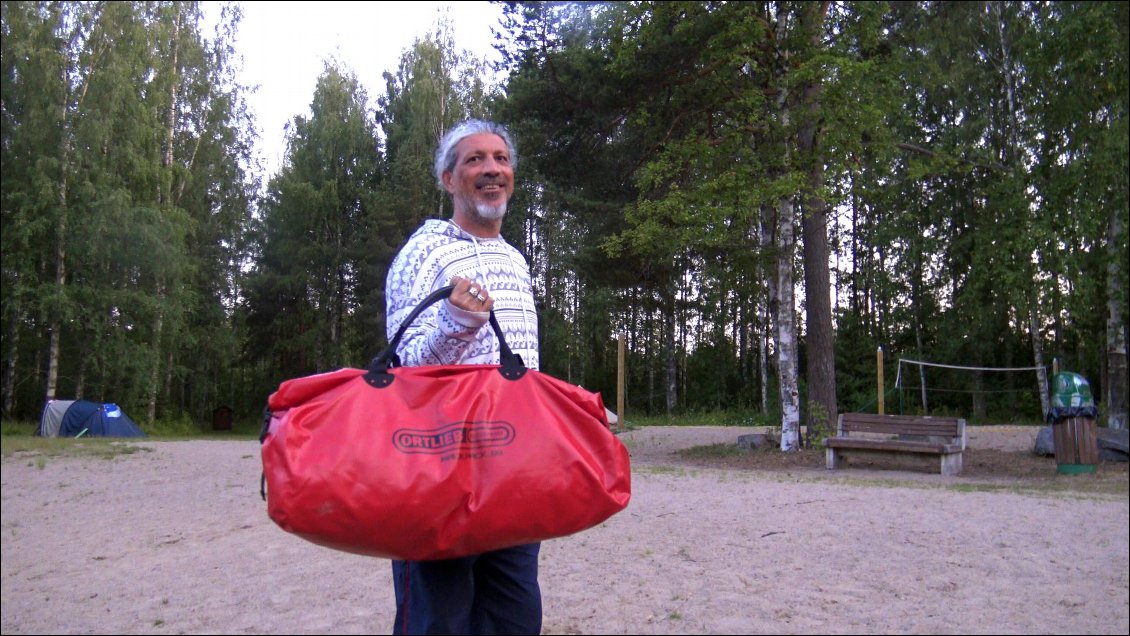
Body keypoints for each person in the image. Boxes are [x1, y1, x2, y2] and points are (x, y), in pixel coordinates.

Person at [384, 119, 541, 635]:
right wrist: (455, 325)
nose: (492, 169)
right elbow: (400, 369)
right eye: (474, 159)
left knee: (515, 621)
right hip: (440, 471)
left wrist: (572, 414)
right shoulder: (422, 253)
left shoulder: (516, 261)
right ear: (449, 180)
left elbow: (525, 369)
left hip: (513, 472)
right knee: (439, 624)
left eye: (500, 158)